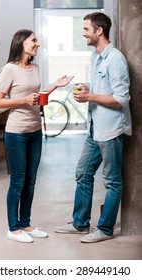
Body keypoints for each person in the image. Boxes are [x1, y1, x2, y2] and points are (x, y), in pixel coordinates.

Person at [54, 12, 132, 242]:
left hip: (111, 130)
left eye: (86, 29)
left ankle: (106, 229)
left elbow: (121, 99)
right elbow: (101, 87)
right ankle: (80, 224)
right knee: (83, 173)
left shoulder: (116, 59)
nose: (83, 33)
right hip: (94, 129)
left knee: (112, 181)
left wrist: (91, 97)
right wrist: (84, 87)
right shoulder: (96, 56)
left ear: (99, 31)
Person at [0, 29, 73, 243]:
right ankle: (13, 228)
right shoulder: (8, 70)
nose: (37, 44)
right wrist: (23, 101)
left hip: (35, 131)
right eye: (34, 40)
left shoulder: (35, 68)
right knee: (18, 181)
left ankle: (26, 225)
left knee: (30, 181)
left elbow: (36, 97)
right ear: (21, 43)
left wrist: (55, 85)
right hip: (16, 132)